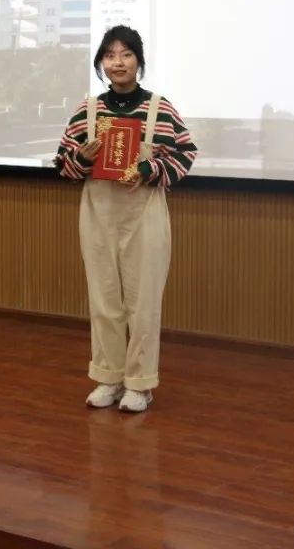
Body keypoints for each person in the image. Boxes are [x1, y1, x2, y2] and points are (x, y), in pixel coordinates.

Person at [55, 25, 198, 413]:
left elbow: (185, 153)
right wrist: (82, 157)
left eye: (126, 54)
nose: (118, 63)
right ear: (101, 63)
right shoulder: (88, 110)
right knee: (104, 300)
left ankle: (140, 384)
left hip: (144, 213)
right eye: (110, 55)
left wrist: (149, 169)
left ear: (139, 61)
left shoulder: (159, 108)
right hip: (98, 212)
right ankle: (108, 377)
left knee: (143, 301)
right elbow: (63, 164)